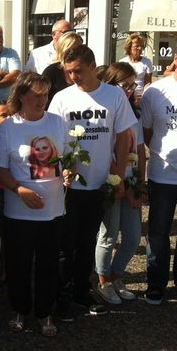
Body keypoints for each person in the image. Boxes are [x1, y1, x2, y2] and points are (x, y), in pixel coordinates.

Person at [48, 45, 137, 320]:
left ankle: (81, 292)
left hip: (101, 184)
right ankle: (61, 297)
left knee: (88, 241)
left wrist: (119, 175)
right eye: (69, 71)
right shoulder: (62, 98)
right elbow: (51, 137)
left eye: (78, 71)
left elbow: (123, 137)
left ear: (93, 66)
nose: (73, 76)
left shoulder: (114, 95)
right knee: (67, 244)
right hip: (69, 186)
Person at [0, 71, 69, 337]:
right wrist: (19, 189)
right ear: (22, 96)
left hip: (53, 209)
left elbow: (69, 158)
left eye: (45, 94)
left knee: (48, 263)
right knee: (18, 264)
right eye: (36, 96)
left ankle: (45, 312)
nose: (42, 100)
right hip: (18, 210)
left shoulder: (58, 123)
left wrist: (69, 170)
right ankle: (19, 309)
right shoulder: (9, 127)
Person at [94, 62, 146, 305]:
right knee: (109, 235)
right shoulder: (104, 111)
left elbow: (139, 151)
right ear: (112, 84)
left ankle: (115, 277)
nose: (130, 90)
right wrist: (116, 183)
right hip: (111, 181)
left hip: (130, 181)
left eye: (133, 85)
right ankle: (102, 282)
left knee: (134, 236)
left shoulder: (135, 113)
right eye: (125, 85)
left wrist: (139, 185)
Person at [139, 56, 177, 305]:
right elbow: (147, 131)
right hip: (163, 172)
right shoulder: (155, 91)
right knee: (158, 231)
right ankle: (156, 283)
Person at [42, 31, 83, 106]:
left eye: (80, 49)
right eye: (71, 50)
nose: (75, 53)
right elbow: (43, 99)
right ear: (63, 50)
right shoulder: (51, 72)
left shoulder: (86, 69)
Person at [119, 33, 153, 100]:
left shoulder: (147, 62)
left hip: (141, 96)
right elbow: (120, 82)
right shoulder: (122, 62)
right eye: (137, 46)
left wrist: (143, 96)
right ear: (129, 47)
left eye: (141, 46)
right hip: (125, 96)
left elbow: (148, 83)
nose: (140, 48)